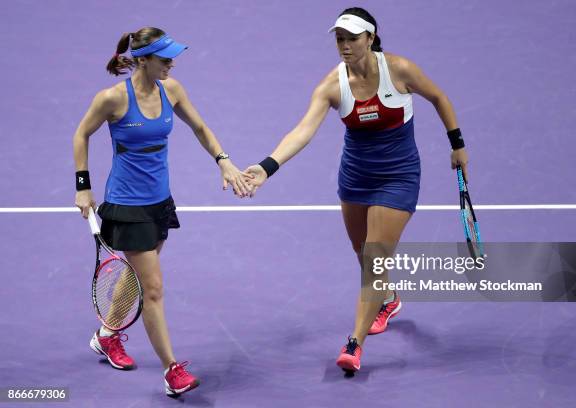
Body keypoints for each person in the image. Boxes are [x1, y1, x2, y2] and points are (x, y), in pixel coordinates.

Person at [243, 8, 469, 372]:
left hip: (398, 177)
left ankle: (355, 344)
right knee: (362, 250)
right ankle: (388, 298)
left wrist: (456, 144)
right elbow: (303, 131)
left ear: (370, 37)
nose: (344, 45)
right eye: (339, 39)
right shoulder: (332, 86)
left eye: (352, 38)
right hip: (355, 177)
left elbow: (439, 97)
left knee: (374, 260)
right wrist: (267, 167)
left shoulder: (399, 69)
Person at [73, 27, 251, 395]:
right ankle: (172, 371)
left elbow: (200, 127)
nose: (171, 63)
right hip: (127, 204)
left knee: (135, 278)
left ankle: (107, 335)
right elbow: (81, 134)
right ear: (142, 60)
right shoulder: (112, 99)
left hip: (159, 202)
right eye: (164, 57)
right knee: (152, 290)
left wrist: (224, 162)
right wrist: (83, 187)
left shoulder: (172, 89)